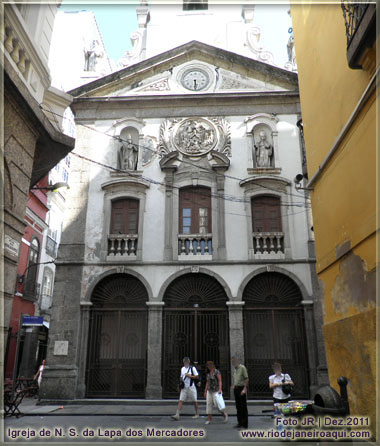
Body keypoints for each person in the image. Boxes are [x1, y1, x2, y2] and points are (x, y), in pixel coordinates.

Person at [204, 360, 228, 425]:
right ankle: (209, 419)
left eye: (209, 365)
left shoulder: (217, 372)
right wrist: (205, 391)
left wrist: (220, 389)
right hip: (209, 391)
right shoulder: (208, 373)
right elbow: (207, 382)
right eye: (207, 366)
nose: (208, 367)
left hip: (216, 390)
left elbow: (220, 381)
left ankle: (224, 414)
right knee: (209, 404)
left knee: (217, 405)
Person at [232, 356, 249, 429]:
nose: (233, 363)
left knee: (243, 407)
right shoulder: (235, 369)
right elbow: (236, 379)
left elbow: (247, 378)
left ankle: (245, 424)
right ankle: (240, 422)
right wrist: (234, 385)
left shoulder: (242, 368)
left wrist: (244, 389)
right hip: (236, 388)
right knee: (238, 406)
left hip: (241, 388)